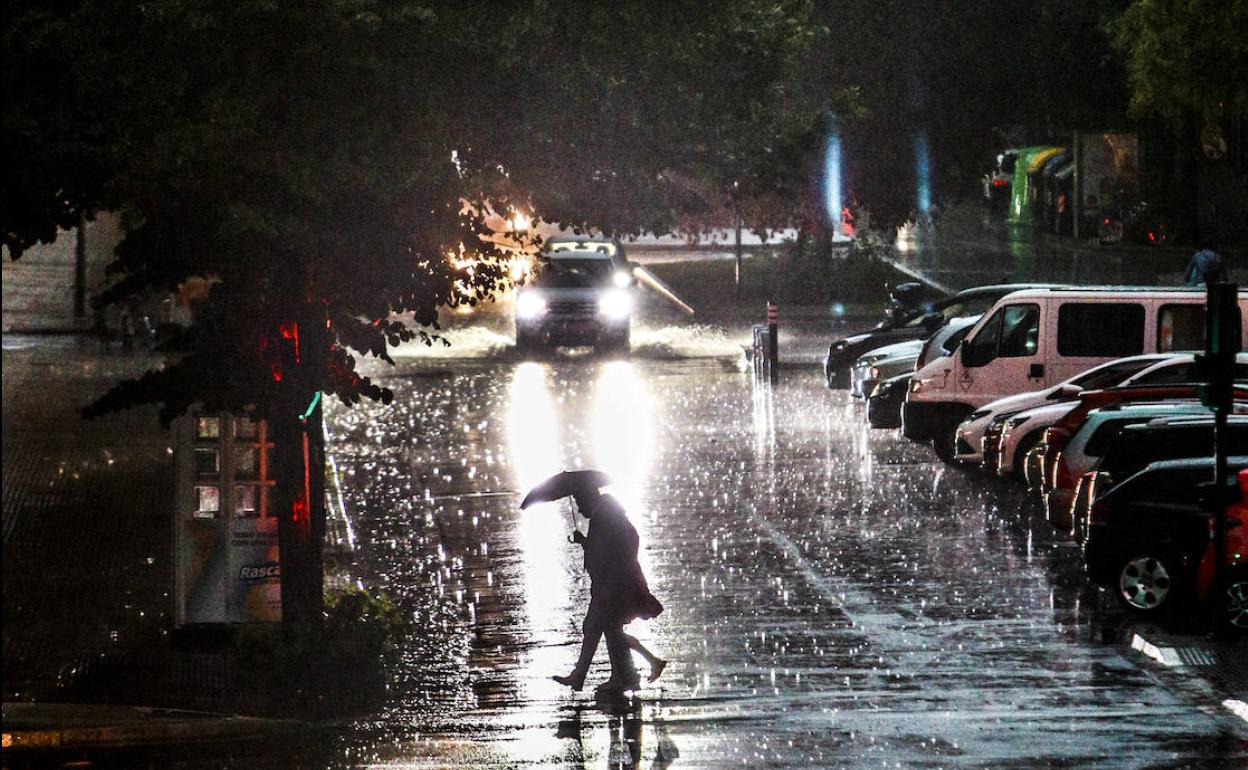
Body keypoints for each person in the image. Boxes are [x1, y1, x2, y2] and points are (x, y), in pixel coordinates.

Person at [553, 487, 665, 693]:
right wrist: (586, 541)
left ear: (587, 499)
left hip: (613, 585)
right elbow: (610, 548)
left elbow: (604, 552)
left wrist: (584, 542)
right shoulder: (610, 515)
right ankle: (591, 676)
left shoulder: (602, 518)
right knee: (597, 627)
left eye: (579, 504)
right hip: (616, 582)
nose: (579, 510)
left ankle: (637, 669)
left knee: (607, 630)